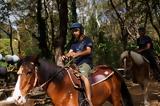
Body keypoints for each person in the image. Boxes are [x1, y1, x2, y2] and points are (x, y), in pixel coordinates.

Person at [62, 22, 93, 106]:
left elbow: (88, 50)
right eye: (73, 31)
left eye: (76, 30)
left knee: (83, 76)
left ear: (81, 31)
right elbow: (70, 53)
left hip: (86, 63)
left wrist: (77, 54)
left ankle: (89, 100)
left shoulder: (87, 40)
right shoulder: (74, 44)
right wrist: (65, 56)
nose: (74, 33)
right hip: (75, 65)